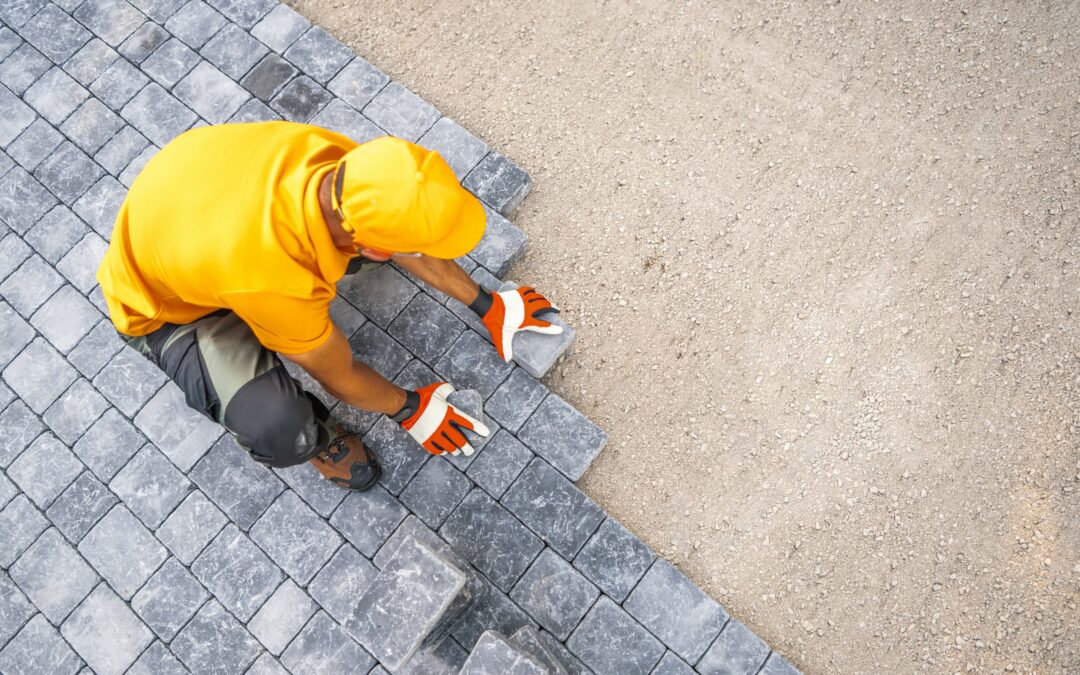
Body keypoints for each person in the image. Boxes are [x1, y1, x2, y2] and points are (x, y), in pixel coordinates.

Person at [97, 121, 562, 491]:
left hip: (190, 219)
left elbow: (399, 232)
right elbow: (338, 375)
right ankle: (317, 436)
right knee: (276, 426)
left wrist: (486, 303)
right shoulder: (279, 280)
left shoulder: (345, 164)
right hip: (165, 307)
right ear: (376, 248)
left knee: (342, 257)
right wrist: (411, 409)